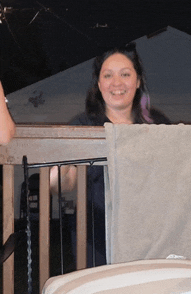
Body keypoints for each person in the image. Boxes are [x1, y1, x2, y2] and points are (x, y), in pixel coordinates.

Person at [50, 42, 156, 268]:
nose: (117, 83)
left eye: (125, 74)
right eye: (108, 75)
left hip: (148, 235)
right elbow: (61, 184)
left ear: (137, 82)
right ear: (99, 84)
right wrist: (60, 173)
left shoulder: (156, 125)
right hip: (95, 238)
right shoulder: (82, 125)